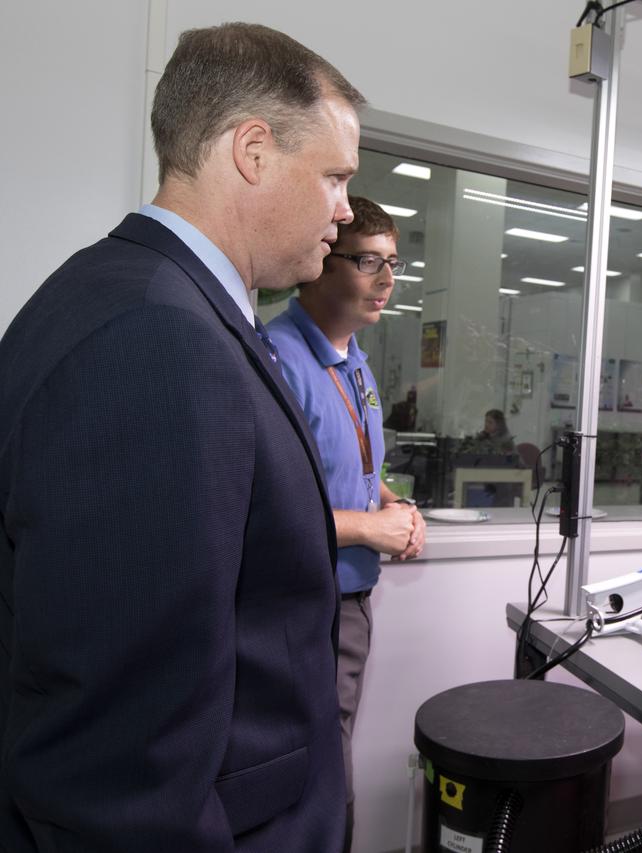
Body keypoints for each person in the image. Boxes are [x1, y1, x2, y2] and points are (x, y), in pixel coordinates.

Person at [0, 23, 363, 853]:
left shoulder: (138, 297)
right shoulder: (156, 342)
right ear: (254, 150)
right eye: (336, 177)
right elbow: (120, 770)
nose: (343, 211)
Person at [267, 196, 426, 851]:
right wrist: (368, 529)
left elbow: (347, 465)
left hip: (350, 598)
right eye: (369, 262)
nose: (387, 280)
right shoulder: (277, 360)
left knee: (330, 759)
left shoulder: (354, 358)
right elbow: (272, 508)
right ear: (320, 263)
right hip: (302, 600)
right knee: (316, 771)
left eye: (393, 263)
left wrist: (387, 502)